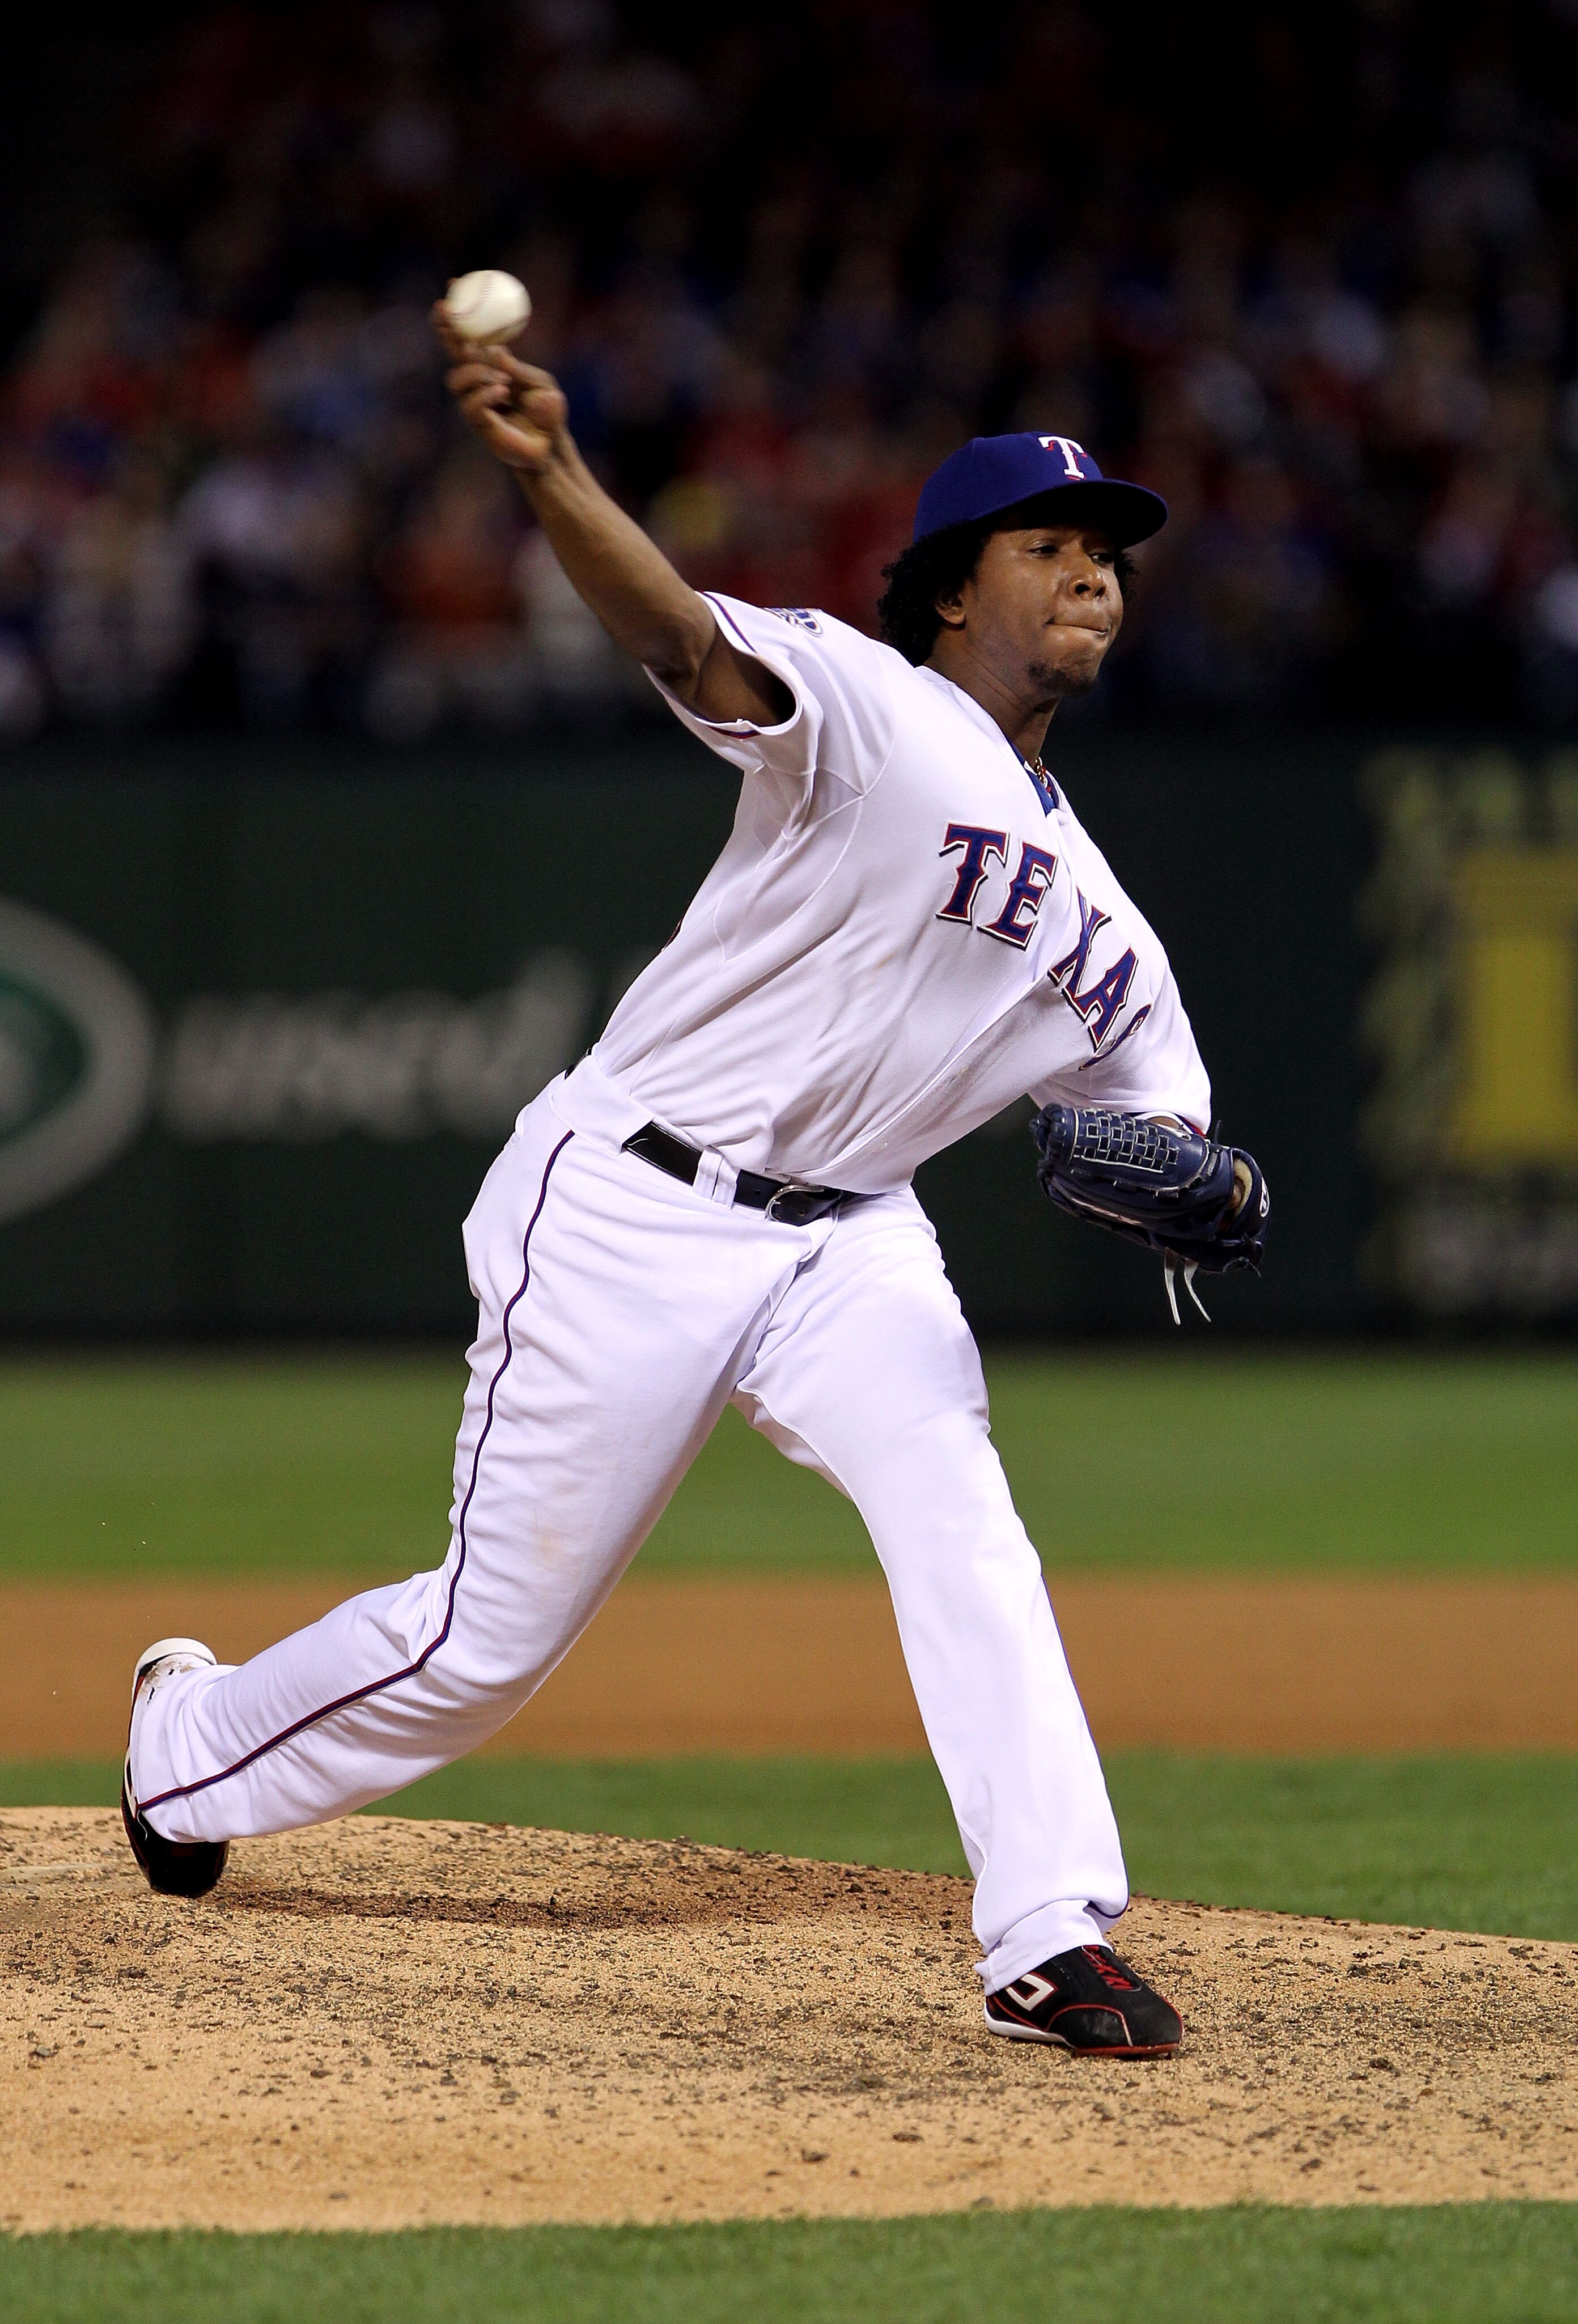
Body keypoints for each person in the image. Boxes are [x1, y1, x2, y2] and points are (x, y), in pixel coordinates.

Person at [121, 325, 1211, 2059]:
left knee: (963, 1525)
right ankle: (187, 1746)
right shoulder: (864, 705)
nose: (1094, 570)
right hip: (633, 1201)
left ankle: (1045, 1933)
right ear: (948, 590)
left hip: (857, 1241)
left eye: (1110, 555)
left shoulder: (1105, 916)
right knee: (488, 1646)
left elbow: (1173, 1132)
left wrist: (1205, 1189)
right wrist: (551, 472)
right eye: (1049, 545)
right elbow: (681, 635)